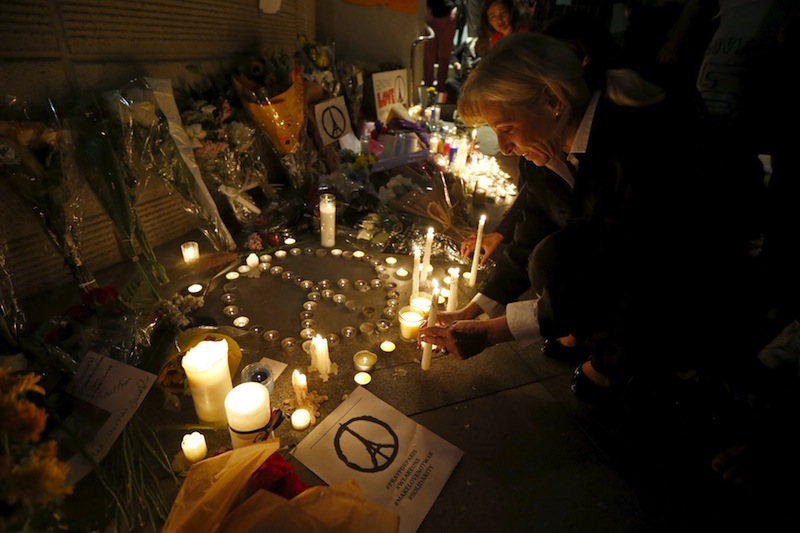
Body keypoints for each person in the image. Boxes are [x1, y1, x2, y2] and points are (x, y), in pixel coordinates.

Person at [420, 32, 736, 402]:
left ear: (552, 99)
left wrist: (493, 332)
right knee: (549, 254)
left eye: (507, 129)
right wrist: (477, 307)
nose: (504, 147)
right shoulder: (545, 150)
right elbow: (530, 229)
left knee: (555, 260)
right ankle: (587, 329)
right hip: (621, 266)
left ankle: (622, 361)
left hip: (688, 275)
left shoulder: (636, 142)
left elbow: (624, 264)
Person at [424, 0, 459, 92]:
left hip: (448, 15)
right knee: (428, 56)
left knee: (444, 56)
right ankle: (429, 91)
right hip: (430, 15)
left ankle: (441, 91)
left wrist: (455, 9)